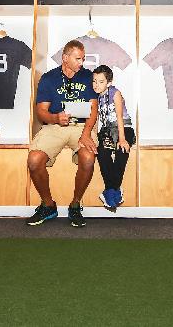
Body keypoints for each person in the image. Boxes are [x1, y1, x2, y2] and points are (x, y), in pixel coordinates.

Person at [26, 40, 98, 227]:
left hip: (82, 126)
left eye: (83, 59)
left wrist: (86, 133)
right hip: (55, 126)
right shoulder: (49, 78)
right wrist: (55, 118)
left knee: (88, 158)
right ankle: (48, 205)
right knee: (34, 160)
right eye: (78, 59)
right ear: (65, 58)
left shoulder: (88, 76)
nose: (81, 63)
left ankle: (75, 204)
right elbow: (41, 112)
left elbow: (93, 109)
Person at [92, 65, 135, 210]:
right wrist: (94, 137)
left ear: (109, 82)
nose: (96, 85)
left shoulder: (115, 93)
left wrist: (122, 139)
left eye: (101, 82)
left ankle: (110, 190)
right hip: (107, 131)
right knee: (102, 153)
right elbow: (96, 119)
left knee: (122, 151)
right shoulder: (96, 97)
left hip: (124, 128)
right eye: (94, 81)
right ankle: (115, 191)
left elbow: (119, 117)